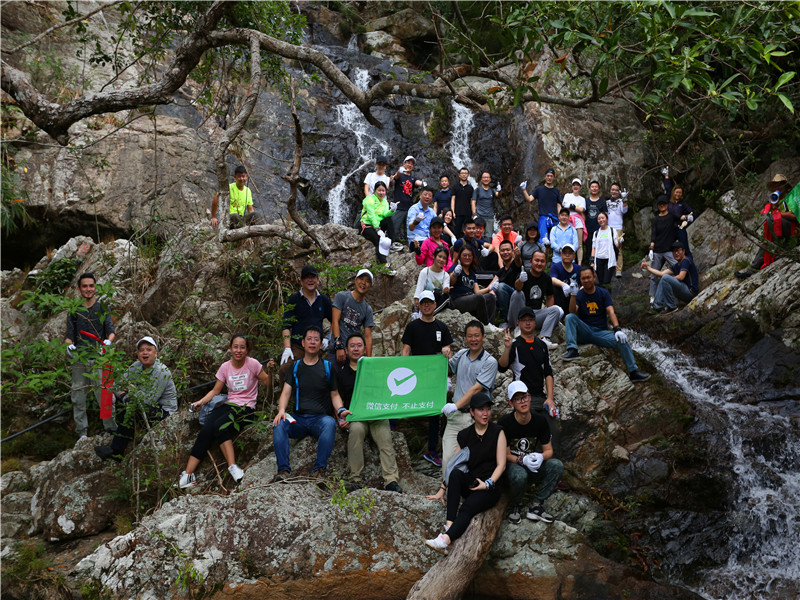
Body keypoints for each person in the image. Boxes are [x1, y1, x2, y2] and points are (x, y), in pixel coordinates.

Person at [179, 335, 274, 488]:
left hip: (246, 408)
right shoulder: (225, 367)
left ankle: (233, 467)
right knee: (207, 428)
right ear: (230, 348)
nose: (238, 350)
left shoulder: (253, 364)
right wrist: (200, 403)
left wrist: (272, 372)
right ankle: (188, 474)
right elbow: (215, 391)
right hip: (229, 404)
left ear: (247, 349)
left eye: (242, 347)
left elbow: (267, 382)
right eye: (235, 347)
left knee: (219, 425)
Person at [424, 392, 506, 552]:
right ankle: (449, 526)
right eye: (481, 410)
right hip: (473, 482)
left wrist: (488, 484)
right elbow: (454, 464)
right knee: (455, 474)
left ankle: (445, 540)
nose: (485, 413)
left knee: (467, 508)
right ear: (472, 412)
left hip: (491, 487)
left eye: (488, 409)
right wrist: (442, 489)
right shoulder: (465, 435)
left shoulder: (498, 432)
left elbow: (501, 465)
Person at [272, 326, 351, 482]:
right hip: (298, 419)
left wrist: (341, 410)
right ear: (303, 342)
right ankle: (283, 471)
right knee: (279, 423)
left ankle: (320, 470)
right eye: (309, 339)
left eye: (316, 339)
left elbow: (334, 394)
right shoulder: (295, 367)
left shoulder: (328, 367)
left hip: (319, 419)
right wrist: (281, 410)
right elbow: (286, 393)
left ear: (321, 344)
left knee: (329, 423)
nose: (312, 342)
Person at [95, 336, 177, 461]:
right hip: (144, 406)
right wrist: (123, 396)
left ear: (155, 353)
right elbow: (117, 384)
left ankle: (116, 451)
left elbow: (150, 400)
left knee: (131, 406)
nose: (145, 352)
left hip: (164, 412)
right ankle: (122, 435)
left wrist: (129, 395)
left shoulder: (161, 371)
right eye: (141, 350)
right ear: (138, 354)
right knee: (126, 404)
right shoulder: (137, 366)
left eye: (149, 350)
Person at [562, 267, 651, 383]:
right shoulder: (579, 295)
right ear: (580, 280)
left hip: (601, 333)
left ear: (594, 277)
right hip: (585, 331)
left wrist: (617, 329)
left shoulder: (603, 293)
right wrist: (573, 296)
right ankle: (572, 349)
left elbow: (611, 311)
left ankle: (633, 372)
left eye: (588, 277)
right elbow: (573, 312)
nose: (586, 280)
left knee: (622, 340)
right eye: (583, 278)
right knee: (569, 317)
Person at [338, 333, 402, 492]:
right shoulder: (340, 373)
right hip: (355, 417)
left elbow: (384, 393)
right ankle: (355, 479)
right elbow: (336, 397)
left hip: (375, 415)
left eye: (359, 345)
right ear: (346, 350)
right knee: (356, 432)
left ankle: (391, 480)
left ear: (365, 349)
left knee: (385, 438)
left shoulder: (374, 370)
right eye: (352, 346)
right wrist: (340, 417)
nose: (356, 349)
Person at [402, 290, 454, 467]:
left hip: (434, 377)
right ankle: (392, 423)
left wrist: (446, 351)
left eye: (429, 302)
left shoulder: (441, 327)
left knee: (435, 410)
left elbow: (447, 349)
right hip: (415, 375)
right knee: (399, 396)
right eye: (423, 302)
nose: (426, 305)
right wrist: (402, 370)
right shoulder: (412, 326)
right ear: (420, 305)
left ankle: (432, 449)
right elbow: (406, 351)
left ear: (434, 304)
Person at [499, 381, 563, 524]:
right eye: (518, 399)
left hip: (532, 466)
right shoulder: (505, 423)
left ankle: (536, 505)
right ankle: (516, 505)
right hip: (512, 467)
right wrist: (522, 460)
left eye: (525, 397)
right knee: (519, 475)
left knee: (556, 465)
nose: (523, 402)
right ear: (511, 403)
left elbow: (549, 451)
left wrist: (540, 456)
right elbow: (504, 455)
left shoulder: (540, 421)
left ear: (530, 397)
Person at [440, 320, 498, 474]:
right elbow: (445, 369)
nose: (473, 339)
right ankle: (446, 493)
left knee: (469, 461)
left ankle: (467, 496)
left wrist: (455, 405)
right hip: (455, 417)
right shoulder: (460, 355)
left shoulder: (490, 362)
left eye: (477, 336)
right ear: (465, 338)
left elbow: (476, 389)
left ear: (483, 337)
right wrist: (445, 355)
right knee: (447, 460)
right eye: (470, 336)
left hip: (475, 418)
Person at [64, 272, 117, 439]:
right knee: (78, 395)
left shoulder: (102, 308)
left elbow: (111, 331)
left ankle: (111, 429)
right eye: (84, 286)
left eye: (91, 286)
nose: (88, 289)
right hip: (79, 359)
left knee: (105, 394)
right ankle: (82, 433)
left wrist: (107, 343)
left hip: (99, 358)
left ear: (95, 287)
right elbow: (68, 334)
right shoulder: (74, 310)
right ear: (79, 289)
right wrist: (68, 346)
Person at [735, 174, 798, 278]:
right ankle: (752, 269)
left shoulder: (792, 197)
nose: (777, 187)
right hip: (782, 231)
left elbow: (794, 216)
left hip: (793, 231)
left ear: (786, 186)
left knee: (772, 219)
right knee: (766, 240)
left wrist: (778, 214)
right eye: (775, 185)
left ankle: (783, 250)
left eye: (780, 184)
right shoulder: (777, 201)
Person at [279, 265, 333, 380]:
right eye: (306, 277)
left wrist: (328, 338)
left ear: (317, 280)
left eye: (313, 277)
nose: (310, 280)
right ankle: (287, 397)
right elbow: (286, 325)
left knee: (319, 374)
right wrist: (287, 347)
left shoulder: (323, 300)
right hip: (298, 347)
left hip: (317, 347)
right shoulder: (294, 299)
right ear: (301, 281)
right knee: (285, 368)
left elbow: (335, 320)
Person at [508, 251, 562, 349]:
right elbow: (517, 288)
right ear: (531, 261)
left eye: (542, 261)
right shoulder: (524, 274)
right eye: (536, 260)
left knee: (556, 310)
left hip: (535, 315)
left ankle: (544, 337)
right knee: (517, 294)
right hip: (518, 313)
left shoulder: (547, 278)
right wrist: (520, 280)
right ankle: (518, 328)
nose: (539, 263)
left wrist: (550, 318)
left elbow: (550, 297)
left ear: (545, 263)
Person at [641, 241, 699, 314]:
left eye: (678, 250)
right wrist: (648, 268)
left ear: (683, 251)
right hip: (683, 292)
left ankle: (672, 307)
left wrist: (669, 280)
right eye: (674, 251)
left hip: (690, 292)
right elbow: (662, 273)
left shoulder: (686, 261)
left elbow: (681, 277)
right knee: (664, 279)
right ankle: (656, 307)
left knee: (665, 279)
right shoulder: (676, 265)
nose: (676, 253)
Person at [330, 269, 374, 365]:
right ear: (355, 280)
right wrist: (339, 346)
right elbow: (335, 322)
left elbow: (368, 336)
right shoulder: (342, 297)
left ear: (370, 286)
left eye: (367, 281)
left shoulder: (367, 309)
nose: (363, 283)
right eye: (361, 279)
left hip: (354, 353)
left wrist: (369, 361)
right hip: (336, 349)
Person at [448, 246, 496, 325]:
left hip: (470, 298)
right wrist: (455, 274)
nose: (467, 257)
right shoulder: (455, 267)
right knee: (478, 298)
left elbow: (477, 292)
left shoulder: (472, 274)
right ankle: (485, 325)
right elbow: (450, 282)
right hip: (457, 299)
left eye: (470, 255)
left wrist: (489, 288)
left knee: (490, 297)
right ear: (460, 256)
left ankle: (491, 324)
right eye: (464, 255)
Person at [647, 195, 681, 306]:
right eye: (660, 204)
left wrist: (688, 217)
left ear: (667, 204)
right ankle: (652, 296)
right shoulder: (656, 219)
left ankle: (679, 291)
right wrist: (651, 248)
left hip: (669, 250)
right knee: (653, 274)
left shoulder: (671, 216)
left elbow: (681, 218)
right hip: (657, 250)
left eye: (664, 203)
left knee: (678, 267)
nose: (662, 205)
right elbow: (654, 234)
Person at [522, 168, 561, 246]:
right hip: (543, 218)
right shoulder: (539, 190)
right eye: (548, 176)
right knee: (542, 241)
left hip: (555, 219)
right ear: (545, 177)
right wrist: (524, 189)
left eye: (551, 176)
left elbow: (558, 205)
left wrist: (560, 216)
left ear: (553, 178)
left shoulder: (556, 191)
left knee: (556, 240)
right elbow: (529, 199)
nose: (549, 178)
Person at [359, 181, 395, 264]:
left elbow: (385, 214)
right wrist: (377, 229)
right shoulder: (370, 200)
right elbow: (371, 216)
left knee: (388, 219)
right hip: (366, 224)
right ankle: (384, 264)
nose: (381, 193)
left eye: (383, 191)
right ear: (375, 191)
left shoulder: (385, 202)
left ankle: (393, 243)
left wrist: (392, 210)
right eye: (379, 190)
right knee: (379, 240)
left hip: (377, 224)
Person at [390, 156, 423, 244]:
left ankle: (410, 246)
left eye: (412, 164)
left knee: (409, 229)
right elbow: (396, 176)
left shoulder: (412, 178)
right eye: (408, 163)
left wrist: (424, 183)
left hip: (410, 208)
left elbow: (418, 183)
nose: (410, 165)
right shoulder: (400, 176)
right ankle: (389, 245)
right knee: (394, 227)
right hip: (399, 207)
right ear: (404, 164)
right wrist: (400, 171)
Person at [490, 240, 523, 325]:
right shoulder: (501, 271)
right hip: (503, 300)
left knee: (501, 287)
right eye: (502, 250)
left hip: (517, 298)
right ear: (499, 253)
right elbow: (491, 286)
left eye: (508, 250)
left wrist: (518, 255)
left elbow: (518, 262)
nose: (505, 252)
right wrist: (491, 291)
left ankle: (504, 320)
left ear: (512, 251)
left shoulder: (516, 264)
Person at [663, 171, 694, 257]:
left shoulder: (683, 204)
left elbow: (691, 212)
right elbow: (668, 187)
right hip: (669, 229)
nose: (678, 194)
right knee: (667, 249)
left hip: (680, 228)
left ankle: (690, 267)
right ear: (673, 192)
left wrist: (690, 217)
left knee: (685, 249)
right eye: (677, 192)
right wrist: (666, 176)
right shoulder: (669, 201)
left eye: (680, 193)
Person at [413, 246, 451, 311]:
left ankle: (432, 313)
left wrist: (446, 290)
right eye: (439, 256)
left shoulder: (446, 275)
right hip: (425, 302)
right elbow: (419, 291)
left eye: (444, 258)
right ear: (434, 256)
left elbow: (445, 287)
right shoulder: (425, 272)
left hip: (437, 303)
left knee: (445, 296)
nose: (441, 260)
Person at [590, 212, 621, 285]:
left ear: (606, 219)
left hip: (609, 259)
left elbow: (617, 245)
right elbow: (593, 248)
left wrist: (619, 241)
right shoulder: (596, 233)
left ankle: (607, 295)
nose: (601, 220)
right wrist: (592, 261)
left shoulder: (612, 231)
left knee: (607, 282)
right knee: (600, 282)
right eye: (599, 219)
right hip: (598, 259)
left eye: (602, 218)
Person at [605, 182, 629, 277]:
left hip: (618, 228)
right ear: (610, 191)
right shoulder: (607, 202)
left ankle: (618, 270)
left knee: (618, 249)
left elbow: (625, 210)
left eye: (616, 190)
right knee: (608, 248)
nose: (614, 191)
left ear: (619, 192)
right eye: (612, 189)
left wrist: (625, 199)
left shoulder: (621, 201)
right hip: (608, 228)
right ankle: (609, 268)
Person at [550, 244, 581, 314]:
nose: (567, 255)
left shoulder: (578, 268)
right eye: (564, 253)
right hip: (561, 296)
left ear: (574, 256)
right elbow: (552, 279)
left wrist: (579, 290)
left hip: (575, 297)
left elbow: (583, 283)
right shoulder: (556, 267)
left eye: (570, 253)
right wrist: (563, 285)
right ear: (561, 255)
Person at [561, 178, 586, 264]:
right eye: (574, 185)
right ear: (572, 186)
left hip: (578, 221)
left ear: (580, 187)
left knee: (579, 244)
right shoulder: (567, 195)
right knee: (568, 242)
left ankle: (579, 263)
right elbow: (564, 205)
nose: (575, 187)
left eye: (577, 185)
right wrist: (575, 208)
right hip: (568, 220)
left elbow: (581, 209)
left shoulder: (582, 199)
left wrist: (573, 207)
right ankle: (568, 261)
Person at [582, 180, 608, 265]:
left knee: (600, 247)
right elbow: (583, 215)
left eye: (596, 187)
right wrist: (583, 227)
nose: (594, 188)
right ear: (589, 189)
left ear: (599, 189)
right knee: (589, 248)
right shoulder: (585, 201)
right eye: (592, 187)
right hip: (588, 228)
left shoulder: (602, 201)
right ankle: (589, 266)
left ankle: (599, 265)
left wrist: (605, 228)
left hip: (599, 229)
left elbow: (605, 215)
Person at [407, 185, 437, 253]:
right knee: (431, 246)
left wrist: (452, 236)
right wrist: (416, 221)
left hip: (427, 239)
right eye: (425, 194)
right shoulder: (414, 209)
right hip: (415, 241)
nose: (427, 197)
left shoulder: (431, 211)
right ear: (420, 196)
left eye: (429, 195)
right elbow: (410, 227)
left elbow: (440, 223)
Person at [450, 167, 474, 241]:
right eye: (462, 173)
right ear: (459, 175)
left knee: (467, 232)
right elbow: (453, 199)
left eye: (465, 173)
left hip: (468, 213)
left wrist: (473, 213)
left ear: (468, 175)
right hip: (457, 213)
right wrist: (452, 211)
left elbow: (472, 201)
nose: (464, 175)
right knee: (457, 232)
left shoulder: (470, 188)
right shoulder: (455, 187)